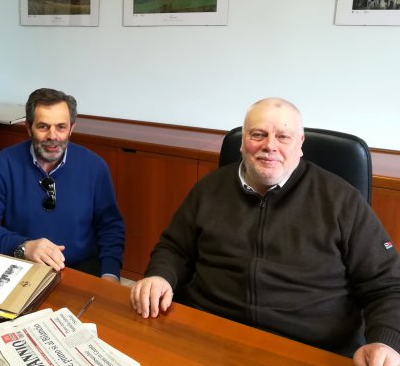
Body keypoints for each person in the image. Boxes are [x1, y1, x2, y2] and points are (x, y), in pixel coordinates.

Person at [130, 98, 400, 365]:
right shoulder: (209, 189)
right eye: (258, 134)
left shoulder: (342, 201)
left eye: (283, 136)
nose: (270, 146)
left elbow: (388, 285)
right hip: (209, 335)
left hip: (308, 349)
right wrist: (160, 276)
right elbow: (174, 247)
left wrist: (385, 340)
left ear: (300, 144)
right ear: (242, 141)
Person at [0, 88, 125, 281]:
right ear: (28, 127)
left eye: (61, 127)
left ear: (72, 128)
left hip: (81, 270)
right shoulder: (3, 164)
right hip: (22, 267)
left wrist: (110, 274)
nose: (53, 136)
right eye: (43, 127)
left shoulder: (95, 167)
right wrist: (23, 246)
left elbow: (111, 228)